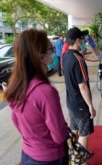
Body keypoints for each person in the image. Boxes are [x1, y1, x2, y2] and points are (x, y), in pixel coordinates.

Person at [3, 29, 68, 165]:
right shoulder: (45, 92)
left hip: (28, 154)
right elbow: (59, 136)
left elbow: (16, 120)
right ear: (41, 57)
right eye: (50, 49)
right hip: (50, 158)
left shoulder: (15, 86)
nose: (54, 53)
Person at [62, 27, 96, 165]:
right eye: (82, 39)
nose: (83, 41)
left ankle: (73, 156)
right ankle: (80, 162)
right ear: (77, 40)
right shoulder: (78, 59)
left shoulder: (65, 56)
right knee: (84, 134)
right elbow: (82, 86)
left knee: (75, 130)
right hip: (80, 103)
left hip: (71, 101)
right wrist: (90, 106)